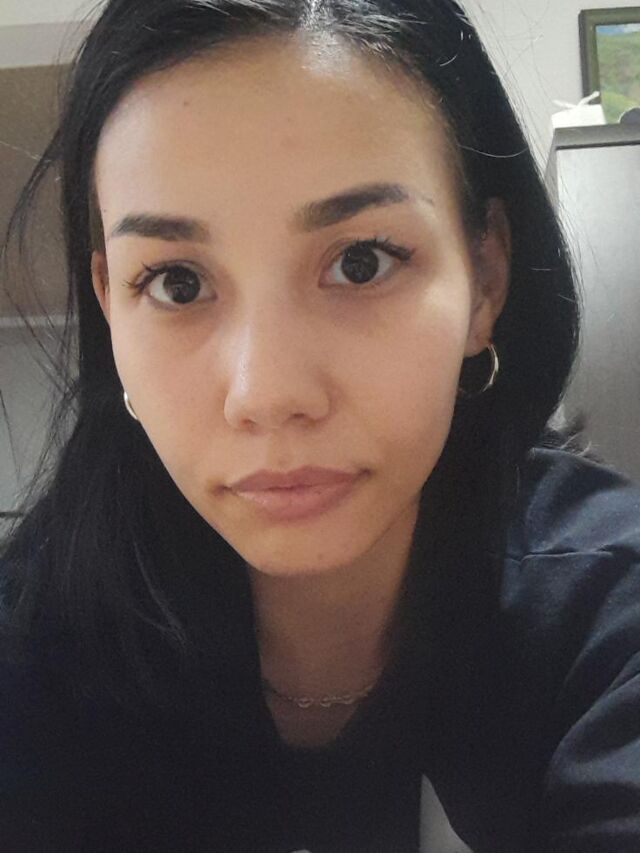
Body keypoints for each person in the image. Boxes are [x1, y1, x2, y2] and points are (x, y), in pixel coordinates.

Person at [1, 0, 639, 850]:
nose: (266, 394)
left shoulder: (610, 615)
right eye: (178, 283)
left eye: (361, 262)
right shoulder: (35, 639)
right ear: (111, 307)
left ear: (485, 277)